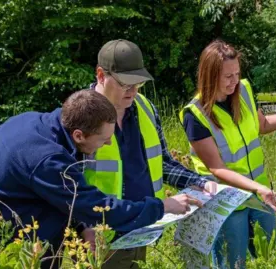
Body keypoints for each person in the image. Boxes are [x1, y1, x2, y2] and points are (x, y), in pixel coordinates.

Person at [0, 90, 196, 268]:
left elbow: (52, 195)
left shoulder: (33, 122)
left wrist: (81, 225)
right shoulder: (48, 161)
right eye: (103, 139)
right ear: (78, 135)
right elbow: (99, 208)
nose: (108, 143)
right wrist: (162, 206)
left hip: (11, 232)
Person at [179, 40, 276, 269]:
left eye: (237, 73)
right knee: (234, 264)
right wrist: (257, 189)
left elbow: (261, 125)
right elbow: (217, 169)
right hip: (227, 203)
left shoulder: (243, 90)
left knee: (272, 258)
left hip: (261, 196)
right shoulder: (195, 115)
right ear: (210, 75)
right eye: (227, 77)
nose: (234, 81)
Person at [81, 39, 218, 269]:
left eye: (139, 83)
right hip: (98, 237)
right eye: (126, 84)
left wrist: (198, 181)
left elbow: (162, 162)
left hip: (141, 231)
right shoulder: (80, 114)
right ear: (101, 75)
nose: (133, 91)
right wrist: (82, 225)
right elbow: (66, 183)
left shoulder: (146, 108)